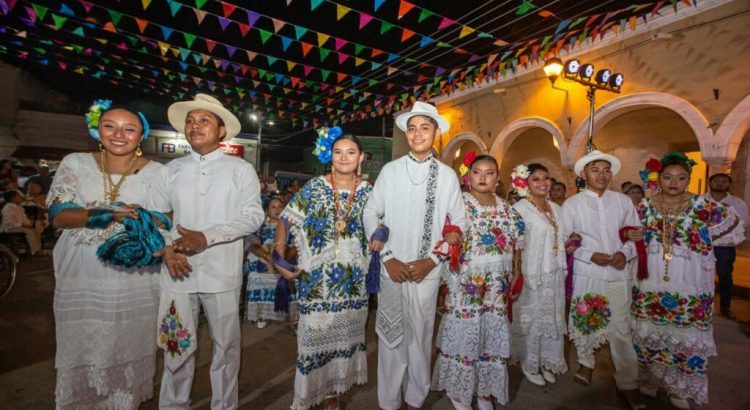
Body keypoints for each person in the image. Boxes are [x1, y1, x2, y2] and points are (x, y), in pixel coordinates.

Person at [46, 101, 165, 408]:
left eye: (129, 129)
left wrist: (142, 216)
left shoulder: (157, 173)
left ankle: (124, 400)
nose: (119, 135)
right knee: (85, 334)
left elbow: (167, 219)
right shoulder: (75, 162)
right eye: (110, 126)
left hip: (134, 268)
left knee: (131, 333)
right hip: (83, 269)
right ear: (97, 130)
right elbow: (59, 215)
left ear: (142, 136)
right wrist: (109, 215)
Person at [151, 94, 264, 409]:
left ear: (221, 131)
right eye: (190, 120)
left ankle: (224, 405)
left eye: (204, 120)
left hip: (221, 273)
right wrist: (166, 250)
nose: (194, 125)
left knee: (225, 346)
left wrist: (207, 237)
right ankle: (174, 404)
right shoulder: (169, 171)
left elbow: (254, 216)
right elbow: (155, 218)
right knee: (176, 344)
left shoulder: (240, 170)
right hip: (177, 270)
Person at [363, 101, 468, 410]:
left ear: (435, 132)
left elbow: (460, 223)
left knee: (420, 338)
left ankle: (414, 399)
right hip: (391, 269)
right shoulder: (390, 170)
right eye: (412, 128)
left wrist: (433, 261)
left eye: (425, 127)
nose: (418, 133)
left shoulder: (447, 176)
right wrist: (389, 258)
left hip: (427, 271)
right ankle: (388, 402)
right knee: (390, 337)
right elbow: (371, 212)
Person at [631, 153, 740, 408]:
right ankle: (649, 380)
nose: (673, 182)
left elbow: (732, 224)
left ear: (689, 180)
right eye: (668, 177)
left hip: (689, 279)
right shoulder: (644, 207)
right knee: (649, 330)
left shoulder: (703, 206)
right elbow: (626, 233)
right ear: (659, 179)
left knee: (685, 332)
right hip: (652, 278)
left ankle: (679, 387)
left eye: (681, 178)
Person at [274, 130, 372, 410]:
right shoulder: (314, 188)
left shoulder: (370, 192)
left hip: (354, 284)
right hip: (316, 282)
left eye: (351, 152)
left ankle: (333, 393)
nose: (344, 157)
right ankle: (314, 394)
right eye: (338, 152)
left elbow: (382, 226)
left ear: (361, 158)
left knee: (344, 339)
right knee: (314, 339)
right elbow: (286, 221)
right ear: (330, 156)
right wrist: (278, 255)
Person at [431, 155, 523, 410]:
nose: (483, 177)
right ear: (468, 175)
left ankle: (483, 391)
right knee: (465, 334)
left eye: (489, 172)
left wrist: (516, 271)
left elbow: (516, 245)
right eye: (477, 172)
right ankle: (459, 393)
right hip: (467, 282)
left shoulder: (508, 209)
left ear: (497, 177)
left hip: (497, 284)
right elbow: (442, 237)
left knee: (489, 336)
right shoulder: (457, 204)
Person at [561, 150, 645, 410]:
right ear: (584, 175)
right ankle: (586, 363)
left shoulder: (622, 201)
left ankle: (628, 383)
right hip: (589, 273)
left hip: (619, 273)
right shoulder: (572, 204)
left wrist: (625, 253)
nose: (601, 174)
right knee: (587, 321)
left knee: (622, 327)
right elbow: (563, 241)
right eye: (595, 169)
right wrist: (589, 255)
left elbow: (636, 234)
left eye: (606, 170)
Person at [511, 163, 575, 386]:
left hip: (554, 272)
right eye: (536, 179)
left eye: (546, 178)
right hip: (532, 273)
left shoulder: (556, 208)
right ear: (525, 183)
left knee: (551, 318)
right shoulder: (520, 208)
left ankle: (547, 360)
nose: (542, 183)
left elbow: (561, 237)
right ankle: (529, 362)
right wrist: (517, 272)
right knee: (533, 318)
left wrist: (570, 244)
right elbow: (515, 244)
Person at [245, 195, 297, 328]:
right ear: (267, 210)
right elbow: (251, 244)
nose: (277, 209)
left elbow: (296, 245)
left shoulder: (291, 225)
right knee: (256, 273)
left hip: (284, 258)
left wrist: (283, 256)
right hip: (264, 259)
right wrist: (267, 256)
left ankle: (293, 318)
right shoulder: (259, 226)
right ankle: (262, 314)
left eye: (280, 206)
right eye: (273, 207)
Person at [705, 173, 748, 319]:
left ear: (729, 185)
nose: (720, 183)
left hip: (725, 246)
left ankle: (725, 307)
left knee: (724, 276)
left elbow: (744, 223)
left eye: (724, 181)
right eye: (717, 180)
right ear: (710, 182)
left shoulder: (737, 203)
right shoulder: (700, 200)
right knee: (700, 275)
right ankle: (701, 306)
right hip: (702, 246)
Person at [2, 190, 43, 254]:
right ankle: (35, 251)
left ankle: (39, 249)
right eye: (18, 196)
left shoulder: (19, 207)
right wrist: (22, 225)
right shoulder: (8, 208)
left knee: (35, 230)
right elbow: (9, 222)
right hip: (10, 228)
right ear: (13, 198)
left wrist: (28, 225)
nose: (21, 197)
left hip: (20, 226)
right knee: (29, 231)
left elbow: (24, 219)